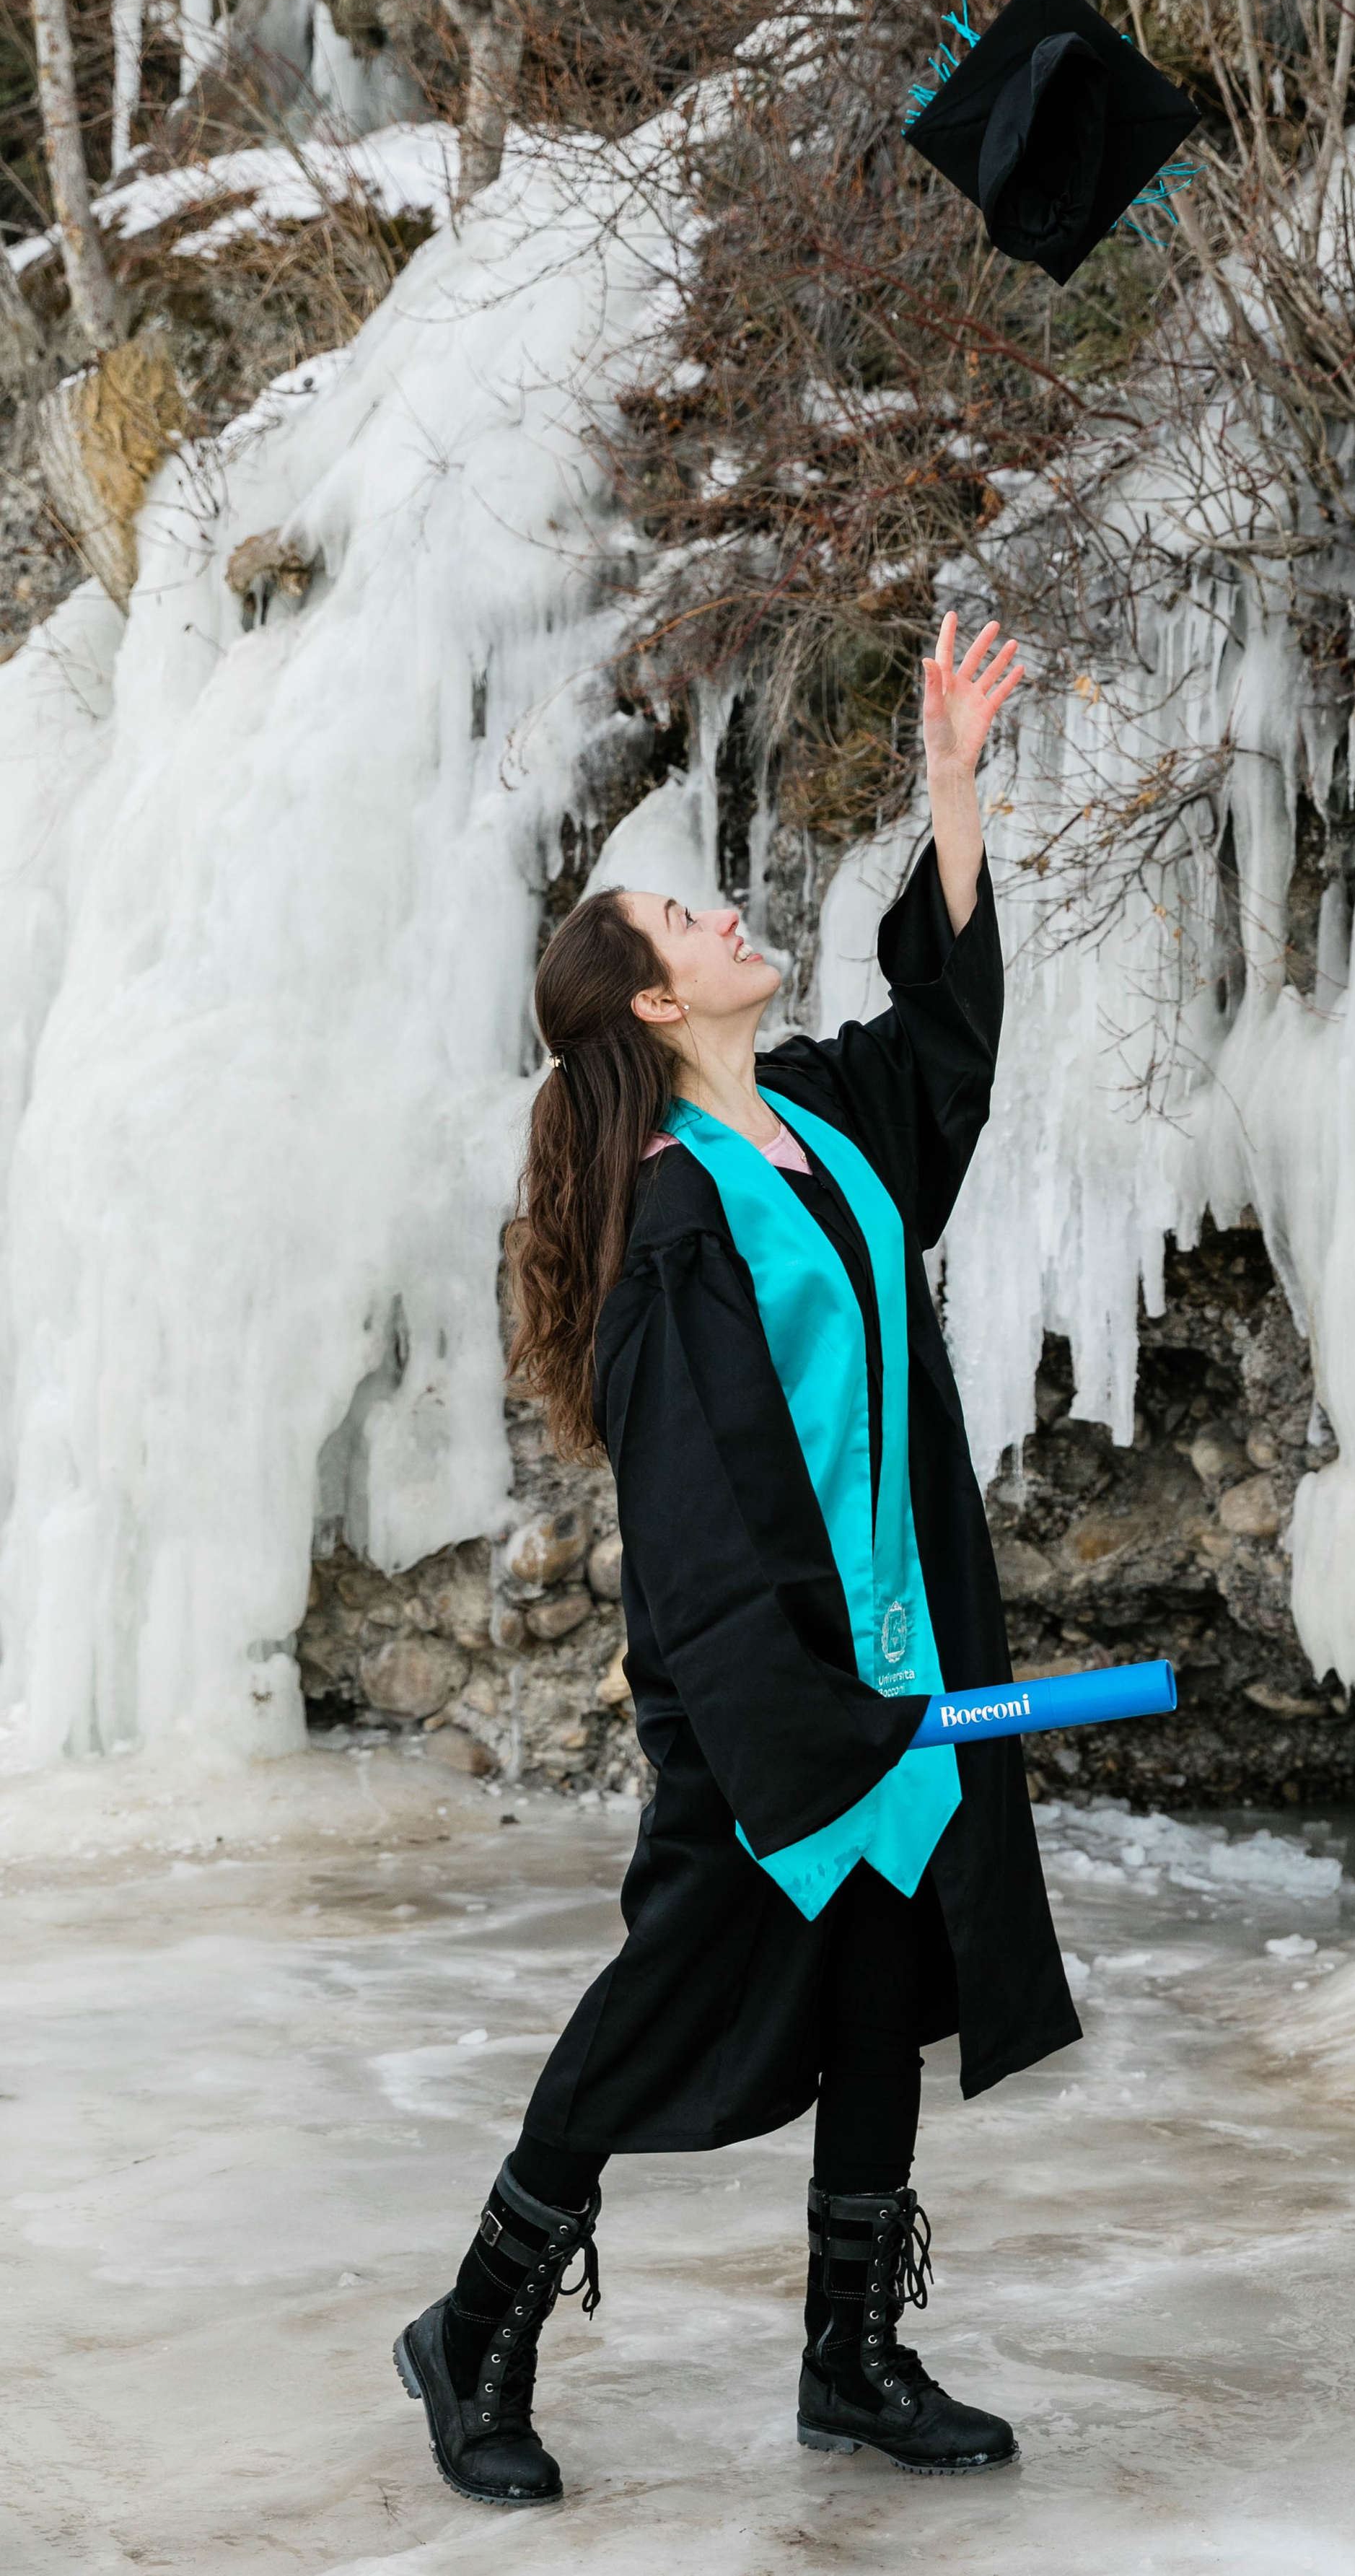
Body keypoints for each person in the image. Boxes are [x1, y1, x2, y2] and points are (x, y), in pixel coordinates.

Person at [393, 613, 1082, 2507]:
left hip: (889, 1675)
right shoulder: (671, 1221)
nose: (724, 925)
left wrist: (951, 778)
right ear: (644, 1008)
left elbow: (946, 1048)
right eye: (688, 928)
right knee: (662, 2007)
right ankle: (474, 2324)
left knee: (874, 1987)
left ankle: (852, 2359)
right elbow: (695, 1512)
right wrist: (797, 1714)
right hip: (770, 1702)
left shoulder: (823, 1136)